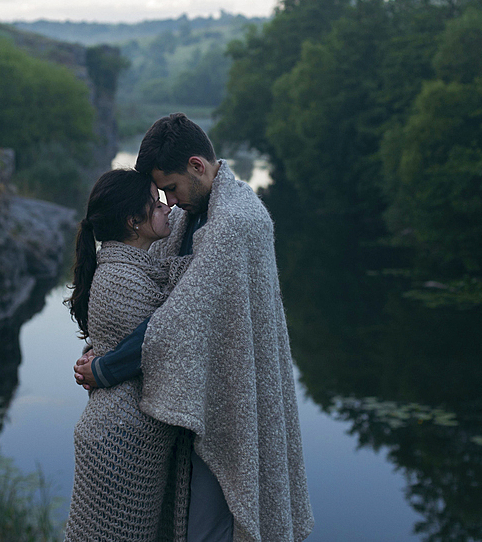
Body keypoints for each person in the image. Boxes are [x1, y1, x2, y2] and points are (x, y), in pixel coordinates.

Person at [74, 114, 314, 542]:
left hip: (229, 403)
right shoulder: (193, 214)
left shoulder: (236, 222)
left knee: (210, 531)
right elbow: (152, 292)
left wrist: (107, 368)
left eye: (170, 188)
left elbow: (178, 320)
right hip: (189, 396)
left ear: (197, 166)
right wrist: (103, 344)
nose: (168, 200)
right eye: (160, 193)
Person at [63, 168, 194, 542]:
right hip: (119, 443)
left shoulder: (135, 268)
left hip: (129, 438)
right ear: (133, 222)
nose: (167, 208)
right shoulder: (120, 279)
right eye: (156, 205)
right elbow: (170, 328)